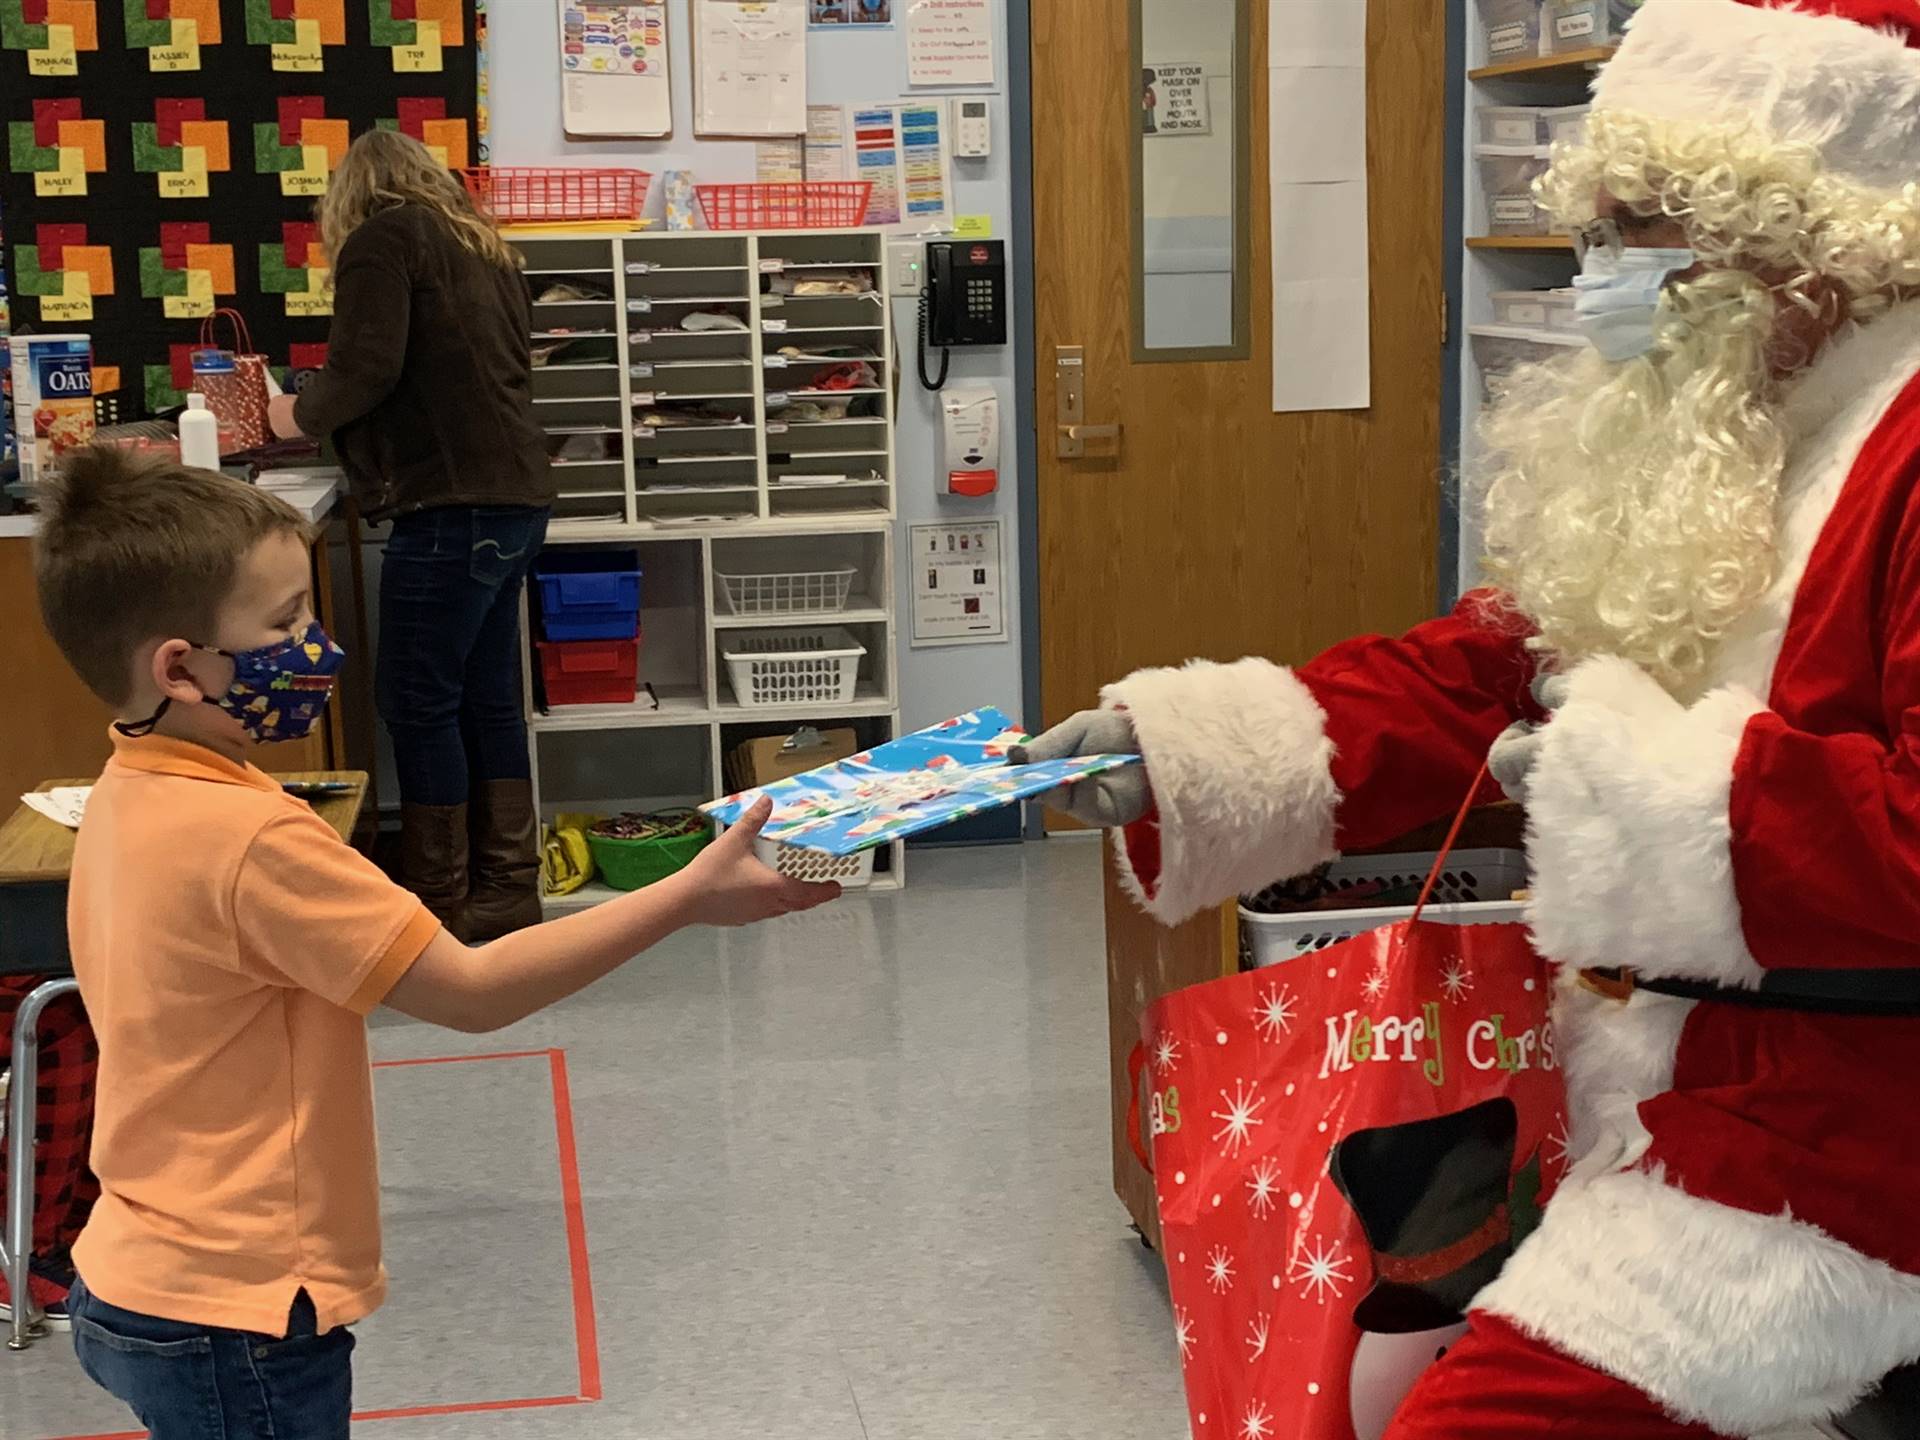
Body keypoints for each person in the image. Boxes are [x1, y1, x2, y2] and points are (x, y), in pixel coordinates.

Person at [1022, 0, 1920, 1434]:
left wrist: (1620, 787)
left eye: (1651, 234)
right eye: (1603, 232)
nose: (1609, 280)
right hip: (1664, 1078)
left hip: (1841, 1136)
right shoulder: (1738, 427)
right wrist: (1185, 753)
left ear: (1811, 245)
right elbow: (1488, 667)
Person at [31, 447, 837, 1440]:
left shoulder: (129, 788)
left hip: (136, 1270)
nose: (315, 644)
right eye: (284, 624)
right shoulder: (250, 836)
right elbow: (472, 990)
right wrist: (686, 896)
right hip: (239, 1306)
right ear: (178, 667)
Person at [268, 129, 555, 943]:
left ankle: (437, 904)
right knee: (488, 700)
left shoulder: (381, 239)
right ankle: (506, 891)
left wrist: (292, 413)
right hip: (512, 498)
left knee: (419, 703)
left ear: (351, 195)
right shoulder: (484, 247)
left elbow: (367, 369)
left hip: (452, 504)